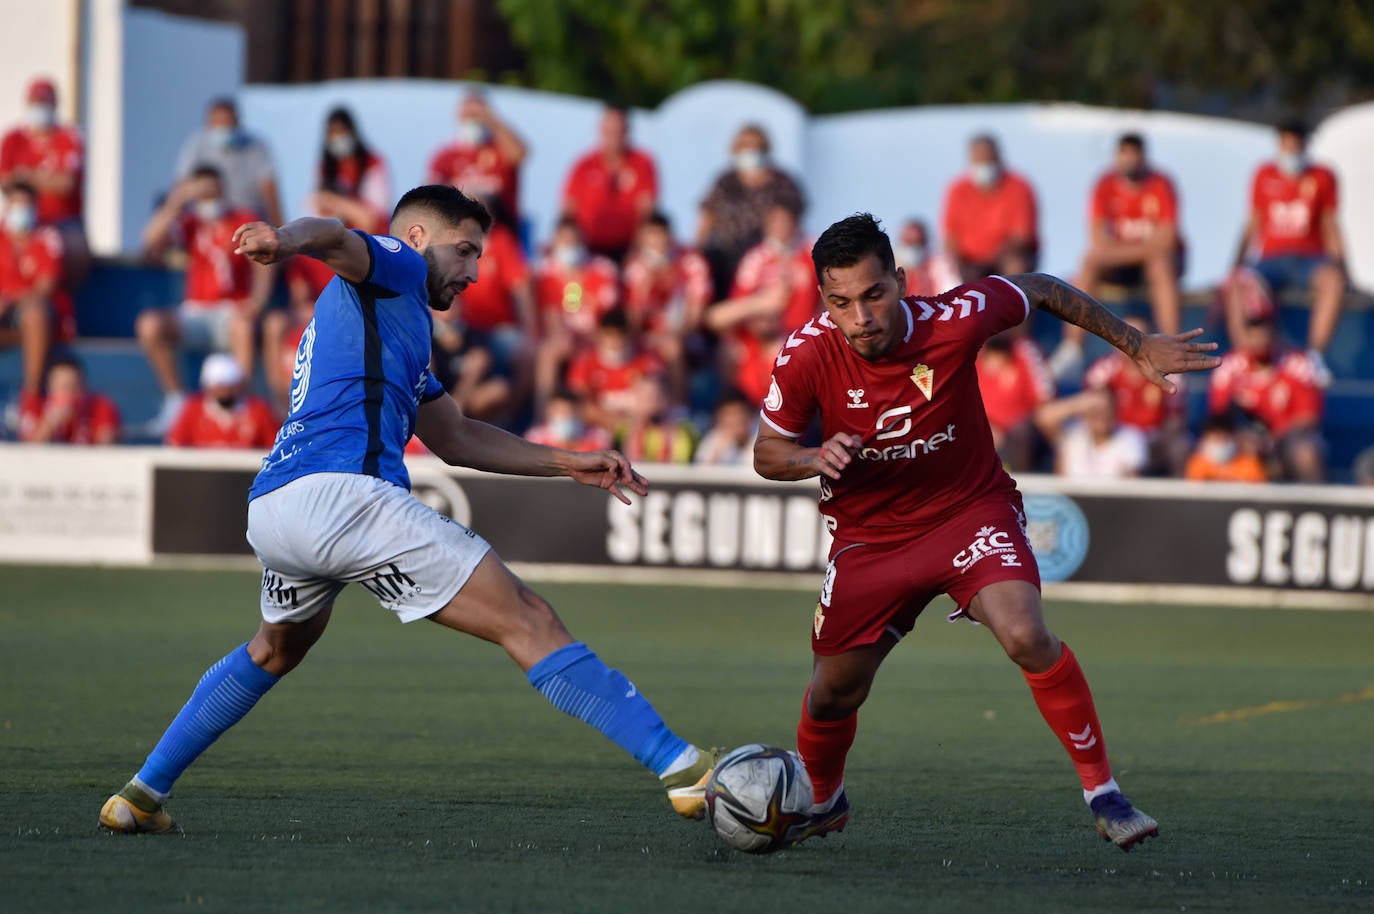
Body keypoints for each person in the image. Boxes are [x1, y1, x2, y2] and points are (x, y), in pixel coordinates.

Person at [98, 184, 718, 836]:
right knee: (528, 620)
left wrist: (568, 460)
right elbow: (336, 236)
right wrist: (284, 240)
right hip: (344, 498)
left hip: (277, 508)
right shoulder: (396, 265)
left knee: (275, 650)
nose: (475, 270)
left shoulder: (396, 322)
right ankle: (683, 769)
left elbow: (457, 438)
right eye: (466, 250)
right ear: (419, 240)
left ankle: (141, 793)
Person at [754, 213, 1219, 851]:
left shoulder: (955, 317)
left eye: (873, 295)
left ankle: (1104, 791)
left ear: (900, 280)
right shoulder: (806, 354)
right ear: (822, 301)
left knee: (1025, 631)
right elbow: (767, 454)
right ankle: (825, 800)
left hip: (967, 510)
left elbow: (1043, 287)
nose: (860, 317)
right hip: (869, 538)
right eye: (840, 303)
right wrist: (814, 456)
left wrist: (1135, 344)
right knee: (833, 693)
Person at [136, 165, 274, 433]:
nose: (208, 198)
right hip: (195, 313)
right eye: (202, 192)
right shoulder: (189, 223)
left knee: (242, 325)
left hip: (231, 311)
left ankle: (241, 403)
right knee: (149, 325)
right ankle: (175, 398)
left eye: (212, 190)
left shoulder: (242, 218)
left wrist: (257, 301)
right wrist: (177, 200)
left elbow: (266, 263)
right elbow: (150, 240)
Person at [1053, 134, 1183, 380]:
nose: (1130, 160)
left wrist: (1123, 250)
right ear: (1116, 156)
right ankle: (1072, 348)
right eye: (1125, 153)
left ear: (1144, 157)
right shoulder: (1104, 185)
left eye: (1135, 154)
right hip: (1121, 263)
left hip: (1150, 266)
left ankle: (1172, 348)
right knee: (1089, 261)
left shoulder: (1161, 185)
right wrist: (1142, 248)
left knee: (1161, 266)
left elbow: (1167, 241)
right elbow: (1097, 240)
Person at [1225, 119, 1345, 381]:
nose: (1291, 152)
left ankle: (1315, 356)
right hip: (1270, 259)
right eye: (1286, 145)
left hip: (1309, 258)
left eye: (1296, 146)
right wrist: (1236, 265)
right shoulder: (1264, 174)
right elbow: (1253, 222)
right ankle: (1245, 357)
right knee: (1237, 285)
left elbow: (1329, 224)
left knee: (1333, 281)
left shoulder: (1322, 177)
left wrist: (1340, 263)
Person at [1208, 292, 1325, 482]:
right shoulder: (1229, 368)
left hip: (1288, 437)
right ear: (1244, 334)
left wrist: (1274, 439)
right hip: (1244, 438)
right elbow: (1219, 416)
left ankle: (1315, 507)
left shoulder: (1298, 364)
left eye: (1264, 331)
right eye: (1253, 332)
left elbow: (1308, 417)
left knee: (1307, 452)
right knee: (1217, 447)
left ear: (1274, 333)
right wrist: (1244, 437)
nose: (1259, 339)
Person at [696, 124, 807, 298]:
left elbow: (791, 218)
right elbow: (707, 216)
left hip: (762, 253)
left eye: (756, 146)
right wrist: (697, 250)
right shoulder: (726, 180)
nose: (750, 151)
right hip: (723, 253)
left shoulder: (782, 181)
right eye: (745, 145)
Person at [0, 78, 88, 285]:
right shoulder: (14, 139)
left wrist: (27, 176)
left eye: (44, 104)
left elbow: (66, 184)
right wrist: (44, 180)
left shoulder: (68, 137)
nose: (39, 109)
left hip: (63, 222)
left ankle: (61, 306)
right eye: (35, 103)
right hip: (23, 222)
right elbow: (6, 182)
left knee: (66, 249)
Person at [1082, 316, 1189, 476]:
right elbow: (1090, 411)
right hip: (1115, 438)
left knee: (1180, 445)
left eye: (1139, 337)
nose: (1132, 344)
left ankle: (1181, 496)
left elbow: (1176, 421)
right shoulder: (1103, 371)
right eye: (1126, 336)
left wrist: (1146, 443)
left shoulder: (1169, 374)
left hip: (1154, 442)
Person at [0, 181, 74, 398]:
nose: (21, 210)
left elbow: (46, 285)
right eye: (17, 204)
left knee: (35, 314)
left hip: (33, 311)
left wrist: (9, 300)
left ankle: (30, 397)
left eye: (26, 204)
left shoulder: (47, 237)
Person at [560, 106, 657, 262]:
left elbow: (647, 211)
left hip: (627, 251)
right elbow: (567, 210)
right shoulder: (584, 165)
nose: (614, 135)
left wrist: (635, 251)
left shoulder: (642, 164)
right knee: (573, 285)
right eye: (609, 129)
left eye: (618, 130)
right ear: (600, 129)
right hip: (588, 251)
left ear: (627, 131)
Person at [941, 134, 1038, 283]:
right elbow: (950, 237)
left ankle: (1014, 303)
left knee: (1015, 264)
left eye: (988, 159)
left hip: (1005, 259)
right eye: (979, 160)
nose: (984, 165)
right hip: (969, 263)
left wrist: (988, 262)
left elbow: (1022, 237)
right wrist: (955, 265)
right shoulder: (957, 190)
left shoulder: (1019, 187)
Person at [174, 97, 282, 225]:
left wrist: (279, 228)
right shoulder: (196, 145)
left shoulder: (255, 147)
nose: (223, 128)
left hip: (248, 221)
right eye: (218, 123)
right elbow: (181, 186)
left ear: (237, 122)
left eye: (227, 123)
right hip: (207, 222)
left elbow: (269, 190)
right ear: (208, 123)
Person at [425, 91, 527, 223]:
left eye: (477, 116)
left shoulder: (500, 151)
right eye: (469, 115)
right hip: (457, 227)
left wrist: (490, 118)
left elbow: (520, 154)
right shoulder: (446, 156)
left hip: (498, 229)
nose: (473, 121)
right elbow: (430, 196)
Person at [164, 352, 278, 450]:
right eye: (219, 387)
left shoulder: (258, 411)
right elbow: (175, 446)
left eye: (230, 386)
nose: (225, 392)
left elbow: (275, 449)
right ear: (207, 387)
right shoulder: (193, 409)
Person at [975, 332, 1054, 472]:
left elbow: (1045, 400)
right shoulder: (972, 353)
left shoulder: (1025, 350)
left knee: (1020, 433)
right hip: (982, 428)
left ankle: (1021, 487)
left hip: (1019, 429)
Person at [310, 107, 392, 235]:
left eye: (341, 131)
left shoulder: (372, 162)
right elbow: (318, 209)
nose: (338, 137)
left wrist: (335, 203)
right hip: (339, 238)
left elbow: (373, 217)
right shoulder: (326, 168)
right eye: (333, 132)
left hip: (374, 237)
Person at [1035, 388, 1149, 479]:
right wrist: (1080, 403)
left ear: (1115, 411)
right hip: (1070, 505)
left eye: (1106, 409)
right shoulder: (1072, 435)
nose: (1101, 415)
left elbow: (1130, 485)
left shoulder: (1130, 438)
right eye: (1095, 410)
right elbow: (1044, 418)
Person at [16, 355, 120, 445]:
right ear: (50, 388)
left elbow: (107, 451)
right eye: (63, 387)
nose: (69, 393)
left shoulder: (100, 406)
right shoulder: (35, 405)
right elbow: (25, 456)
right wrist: (48, 426)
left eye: (75, 387)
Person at [1183, 414, 1268, 483]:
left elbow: (1258, 495)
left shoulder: (1249, 464)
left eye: (1224, 438)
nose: (1220, 443)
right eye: (1215, 438)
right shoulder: (1197, 464)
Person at [893, 218, 958, 297]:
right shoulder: (892, 269)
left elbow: (951, 291)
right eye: (909, 242)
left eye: (918, 243)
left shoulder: (939, 267)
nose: (914, 248)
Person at [693, 392, 756, 466]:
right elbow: (699, 472)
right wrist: (717, 451)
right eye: (729, 416)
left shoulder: (759, 440)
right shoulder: (714, 439)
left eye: (737, 415)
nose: (734, 422)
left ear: (749, 417)